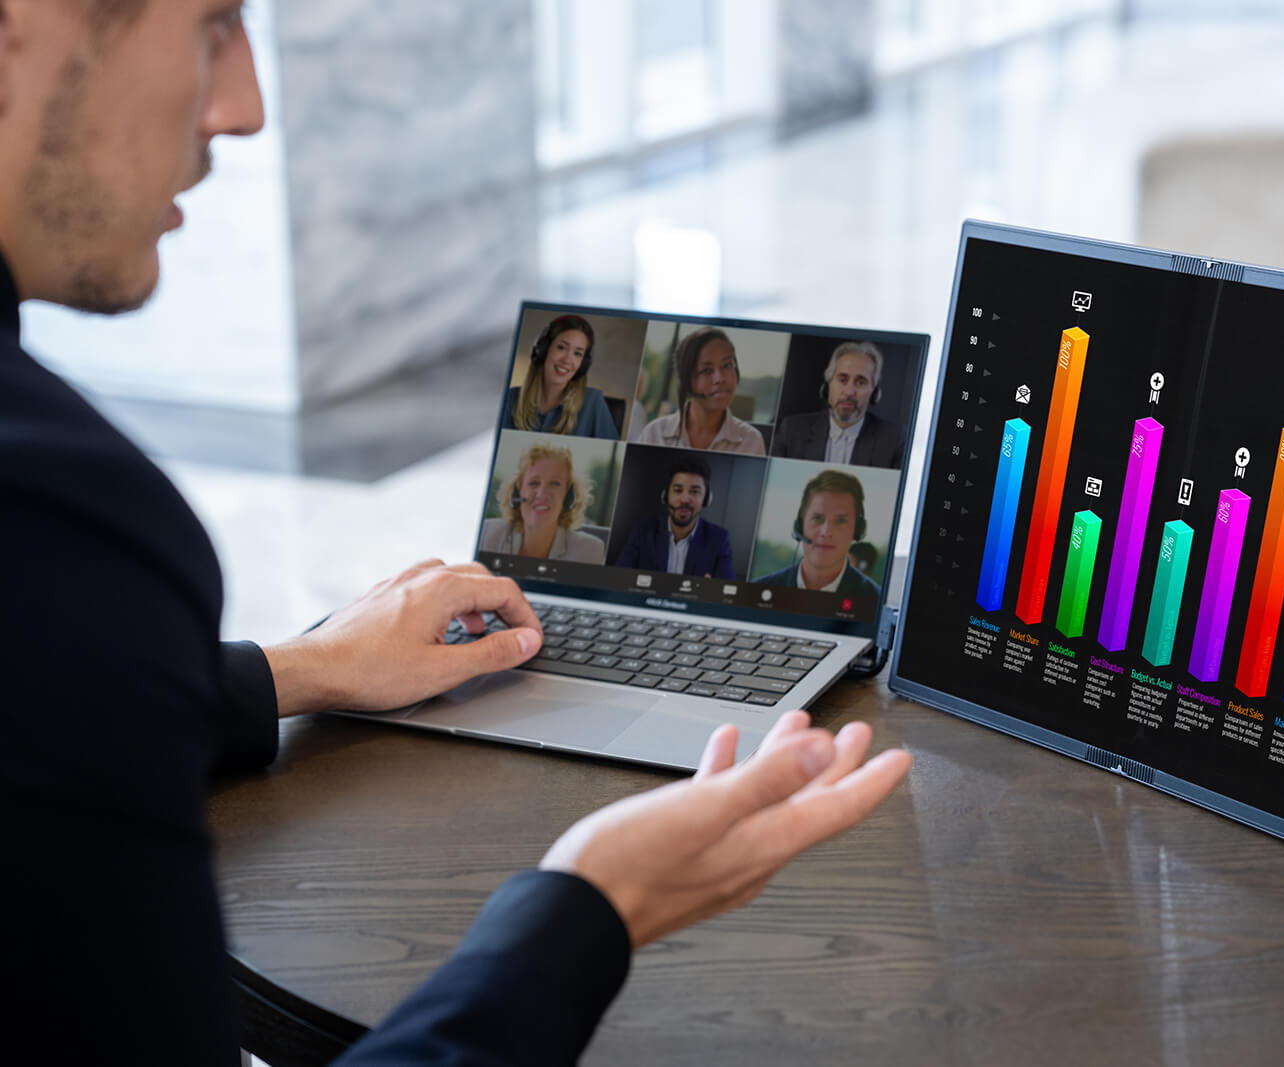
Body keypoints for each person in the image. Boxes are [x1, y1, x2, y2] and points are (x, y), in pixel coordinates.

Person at [0, 3, 911, 1063]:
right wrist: (589, 905)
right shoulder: (59, 517)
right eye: (212, 22)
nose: (244, 106)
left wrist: (300, 668)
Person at [756, 470, 883, 607]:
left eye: (840, 521)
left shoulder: (876, 602)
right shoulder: (758, 590)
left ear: (857, 530)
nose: (826, 532)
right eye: (817, 518)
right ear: (800, 525)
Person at [771, 340, 904, 469]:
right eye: (842, 380)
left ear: (874, 393)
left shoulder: (894, 440)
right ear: (828, 386)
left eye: (860, 382)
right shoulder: (791, 430)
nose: (849, 392)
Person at [635, 326, 766, 455]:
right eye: (706, 370)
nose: (719, 379)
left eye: (727, 365)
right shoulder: (654, 433)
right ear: (686, 382)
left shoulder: (752, 441)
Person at [479, 442, 607, 563]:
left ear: (569, 497)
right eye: (533, 483)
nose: (542, 494)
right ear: (516, 493)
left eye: (554, 484)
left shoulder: (590, 551)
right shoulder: (486, 535)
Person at [614, 456, 737, 578]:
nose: (684, 500)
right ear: (666, 495)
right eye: (678, 490)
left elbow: (727, 589)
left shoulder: (719, 539)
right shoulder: (643, 530)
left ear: (706, 499)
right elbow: (620, 577)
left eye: (694, 492)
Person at [504, 313, 620, 438]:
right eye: (561, 348)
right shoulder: (511, 399)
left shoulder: (593, 402)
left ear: (583, 364)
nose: (567, 360)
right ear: (543, 350)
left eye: (577, 353)